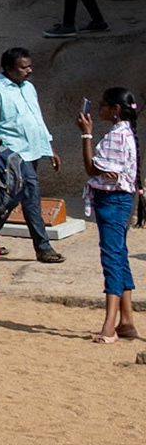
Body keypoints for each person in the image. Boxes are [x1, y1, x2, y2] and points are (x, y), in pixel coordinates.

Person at [0, 47, 64, 263]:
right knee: (30, 197)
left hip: (33, 152)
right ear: (9, 69)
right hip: (13, 156)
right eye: (23, 67)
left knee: (11, 200)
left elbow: (37, 120)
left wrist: (49, 148)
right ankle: (43, 248)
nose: (29, 71)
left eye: (29, 66)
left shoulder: (29, 88)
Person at [77, 87, 140, 342]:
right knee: (119, 255)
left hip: (112, 201)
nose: (99, 108)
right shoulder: (125, 133)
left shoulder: (117, 136)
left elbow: (92, 169)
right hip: (118, 201)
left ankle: (109, 325)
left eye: (103, 105)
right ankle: (126, 321)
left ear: (115, 110)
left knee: (112, 259)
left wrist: (86, 136)